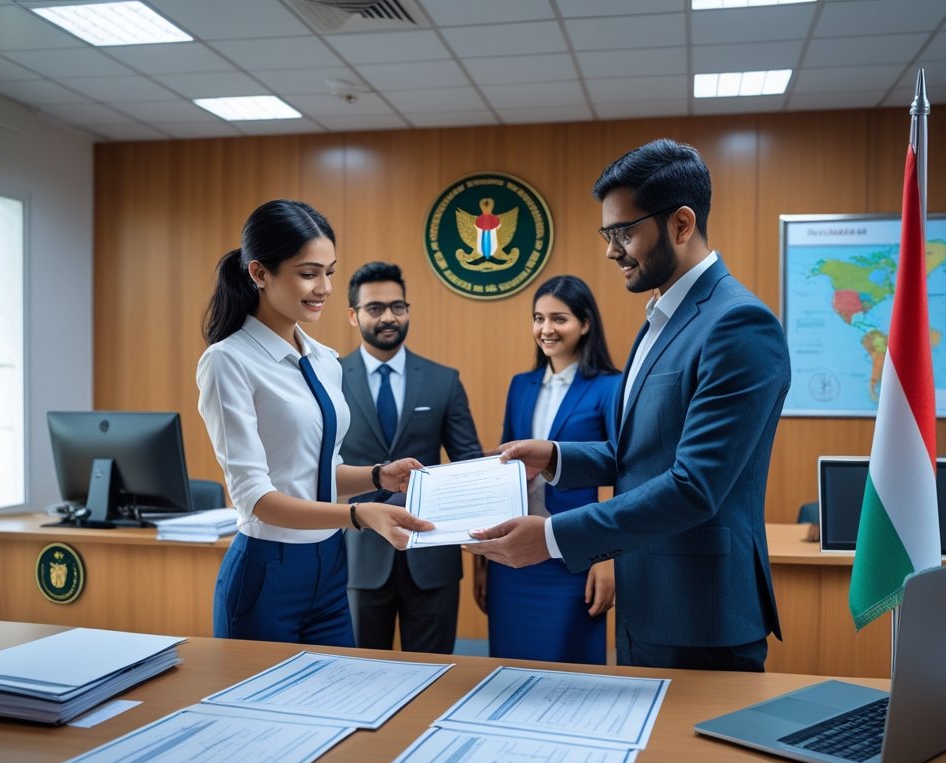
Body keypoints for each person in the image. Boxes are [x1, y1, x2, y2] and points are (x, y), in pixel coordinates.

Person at [469, 139, 792, 672]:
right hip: (648, 600)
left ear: (681, 225)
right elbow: (636, 452)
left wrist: (552, 538)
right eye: (607, 234)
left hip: (700, 610)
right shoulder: (660, 317)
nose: (611, 251)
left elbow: (695, 485)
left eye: (624, 233)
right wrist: (552, 457)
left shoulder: (738, 324)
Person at [196, 199, 432, 646]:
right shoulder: (228, 361)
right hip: (267, 569)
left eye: (330, 271)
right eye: (308, 273)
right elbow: (256, 499)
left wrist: (380, 475)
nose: (324, 287)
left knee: (336, 703)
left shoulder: (324, 360)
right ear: (260, 273)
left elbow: (317, 473)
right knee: (266, 714)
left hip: (329, 567)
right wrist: (360, 515)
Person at [474, 275, 621, 664]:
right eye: (538, 318)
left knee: (571, 675)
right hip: (514, 553)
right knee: (510, 669)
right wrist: (484, 560)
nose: (546, 329)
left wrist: (608, 559)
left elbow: (623, 475)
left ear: (585, 323)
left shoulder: (611, 387)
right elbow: (500, 473)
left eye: (559, 319)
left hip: (573, 554)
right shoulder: (520, 386)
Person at [339, 261, 483, 654]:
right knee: (359, 677)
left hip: (432, 556)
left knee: (435, 676)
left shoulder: (443, 380)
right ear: (353, 315)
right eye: (375, 308)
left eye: (398, 306)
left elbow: (469, 464)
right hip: (357, 560)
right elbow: (317, 469)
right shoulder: (329, 379)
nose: (388, 317)